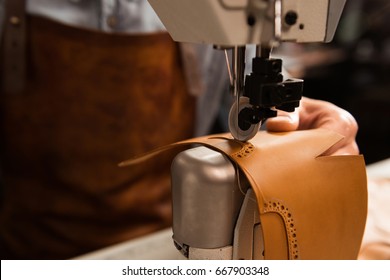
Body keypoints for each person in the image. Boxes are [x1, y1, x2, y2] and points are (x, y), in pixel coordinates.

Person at [0, 0, 362, 260]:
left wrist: (297, 125)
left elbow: (249, 99)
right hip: (32, 253)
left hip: (172, 246)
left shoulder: (213, 12)